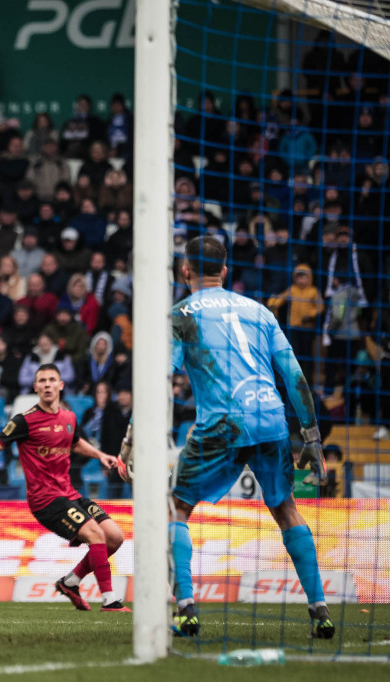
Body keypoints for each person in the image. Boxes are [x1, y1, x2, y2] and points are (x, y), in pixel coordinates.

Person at [133, 235, 334, 638]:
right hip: (272, 419)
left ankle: (186, 609)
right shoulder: (260, 311)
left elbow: (160, 379)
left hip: (222, 422)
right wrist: (312, 439)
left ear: (184, 271)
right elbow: (295, 376)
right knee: (286, 509)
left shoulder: (181, 314)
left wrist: (134, 433)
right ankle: (320, 610)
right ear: (225, 271)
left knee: (176, 509)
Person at [0, 363, 129, 612]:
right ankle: (110, 600)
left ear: (60, 385)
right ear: (35, 387)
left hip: (70, 494)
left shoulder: (69, 418)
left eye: (51, 380)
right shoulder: (24, 421)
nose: (47, 384)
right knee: (96, 537)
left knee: (115, 537)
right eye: (42, 381)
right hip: (46, 501)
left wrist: (100, 455)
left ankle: (71, 582)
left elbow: (75, 443)